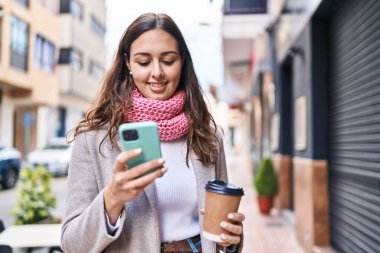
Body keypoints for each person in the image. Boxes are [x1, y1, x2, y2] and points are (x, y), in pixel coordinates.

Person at [61, 13, 245, 253]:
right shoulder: (95, 138)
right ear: (127, 62)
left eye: (168, 61)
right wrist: (113, 198)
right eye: (144, 62)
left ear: (183, 62)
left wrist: (230, 240)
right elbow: (72, 244)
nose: (157, 72)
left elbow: (219, 230)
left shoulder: (207, 136)